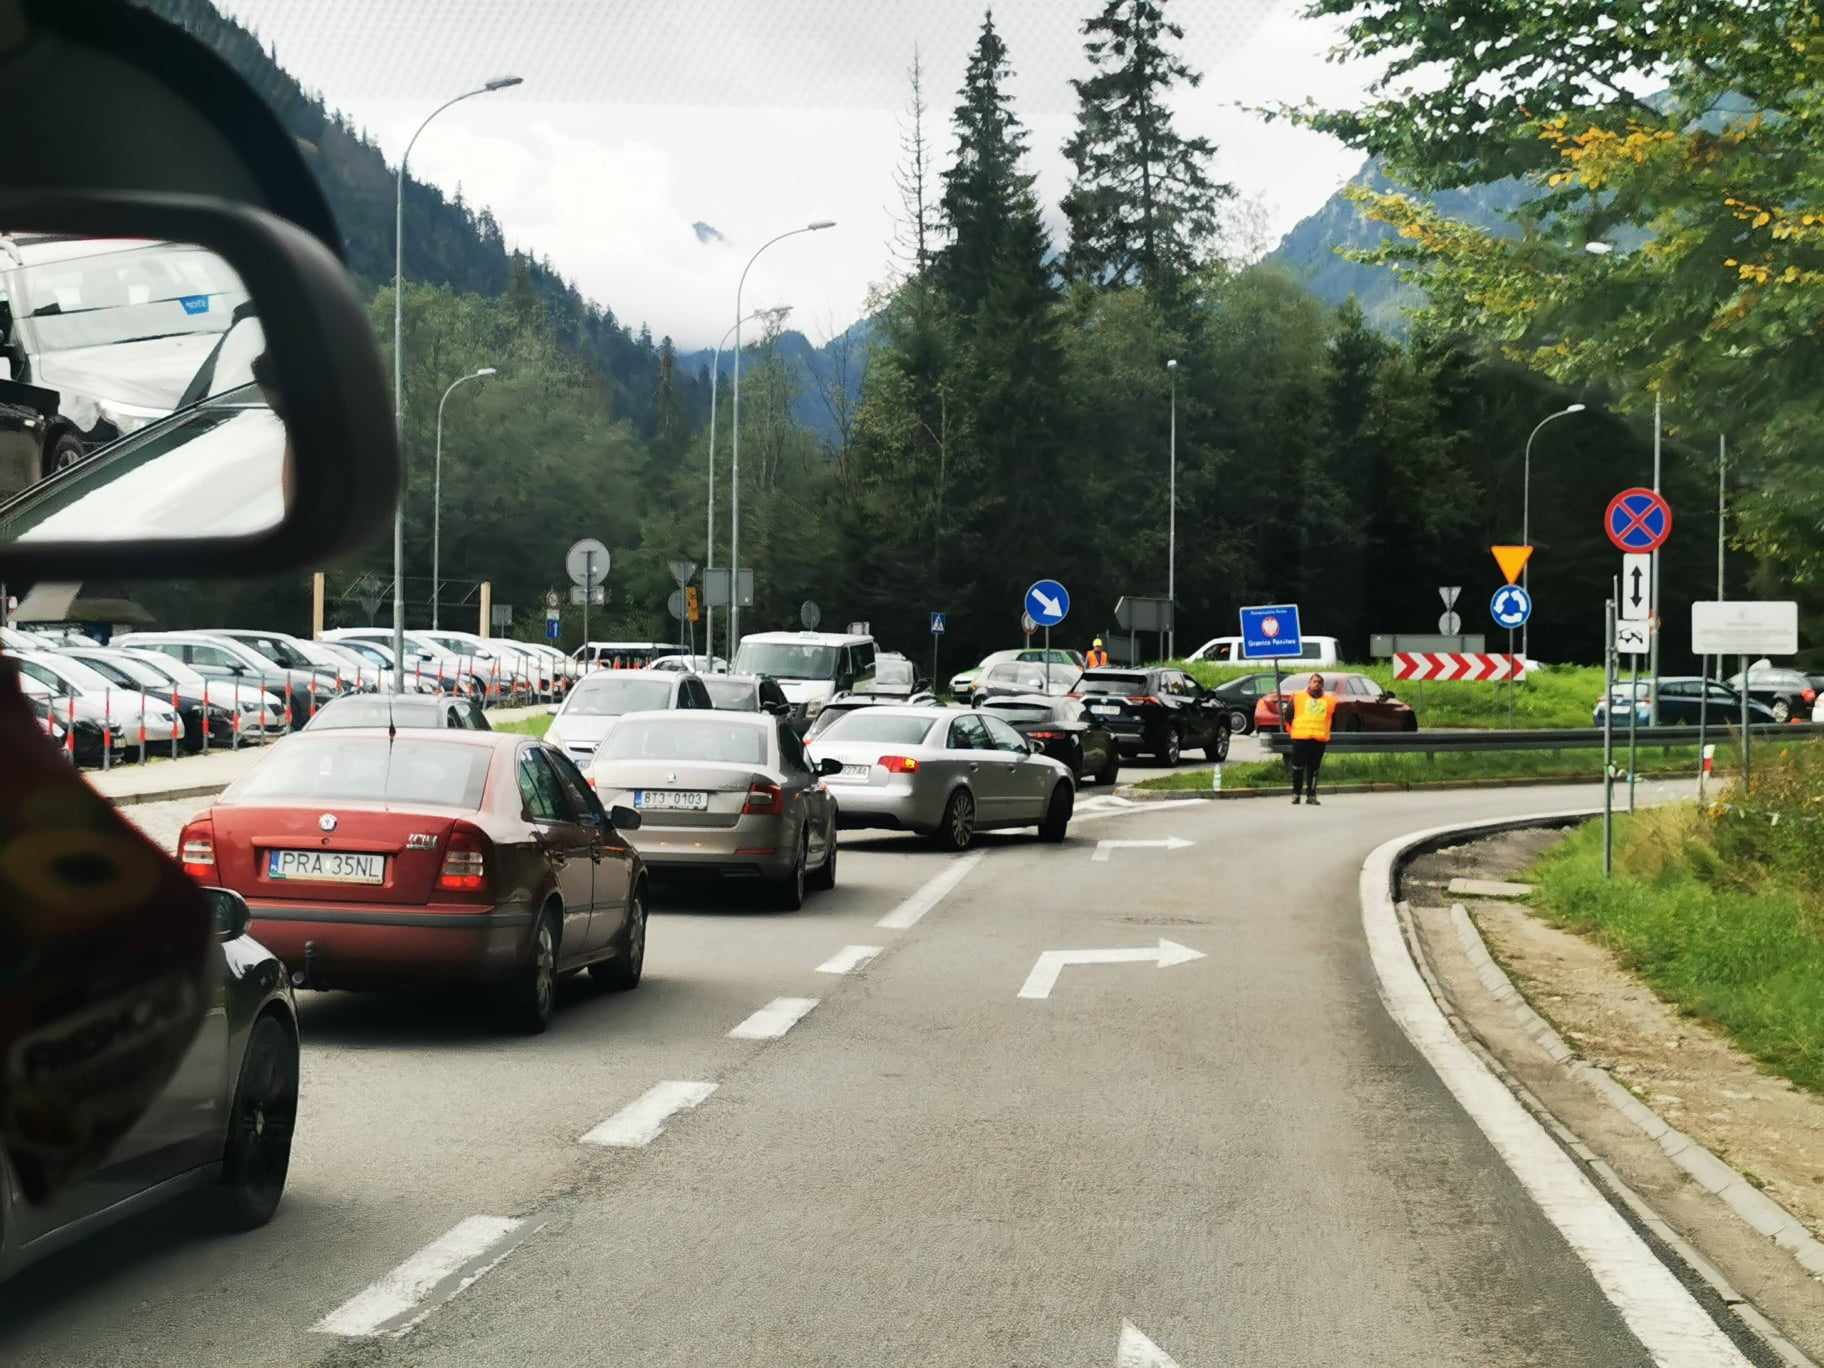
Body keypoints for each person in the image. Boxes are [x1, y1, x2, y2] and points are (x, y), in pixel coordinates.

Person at [1285, 672, 1337, 806]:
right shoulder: (1298, 697)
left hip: (1319, 739)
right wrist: (1293, 733)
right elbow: (1288, 716)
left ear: (1323, 685)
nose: (1317, 684)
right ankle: (1296, 794)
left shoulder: (1329, 700)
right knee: (1297, 767)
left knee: (1314, 769)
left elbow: (1333, 720)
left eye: (1320, 682)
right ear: (1309, 683)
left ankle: (1311, 796)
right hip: (1300, 738)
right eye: (1314, 681)